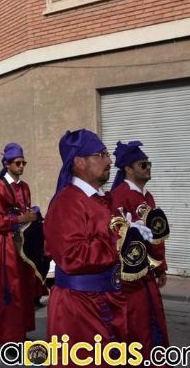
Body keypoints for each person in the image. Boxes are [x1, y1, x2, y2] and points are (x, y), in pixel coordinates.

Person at [44, 129, 131, 366]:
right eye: (101, 154)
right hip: (80, 308)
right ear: (79, 161)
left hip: (106, 300)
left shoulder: (99, 199)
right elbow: (72, 256)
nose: (110, 160)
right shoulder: (66, 202)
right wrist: (120, 239)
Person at [110, 140, 169, 358]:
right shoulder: (119, 196)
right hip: (130, 279)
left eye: (149, 164)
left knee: (152, 320)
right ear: (128, 168)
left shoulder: (148, 196)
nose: (148, 168)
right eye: (143, 165)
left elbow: (157, 236)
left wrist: (161, 266)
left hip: (148, 273)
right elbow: (114, 235)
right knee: (135, 325)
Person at [0, 143, 38, 344]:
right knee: (9, 289)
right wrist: (21, 219)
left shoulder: (25, 187)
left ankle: (21, 333)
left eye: (23, 162)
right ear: (7, 164)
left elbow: (24, 212)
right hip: (6, 244)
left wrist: (32, 216)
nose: (22, 166)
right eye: (18, 162)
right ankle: (8, 338)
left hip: (22, 244)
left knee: (24, 288)